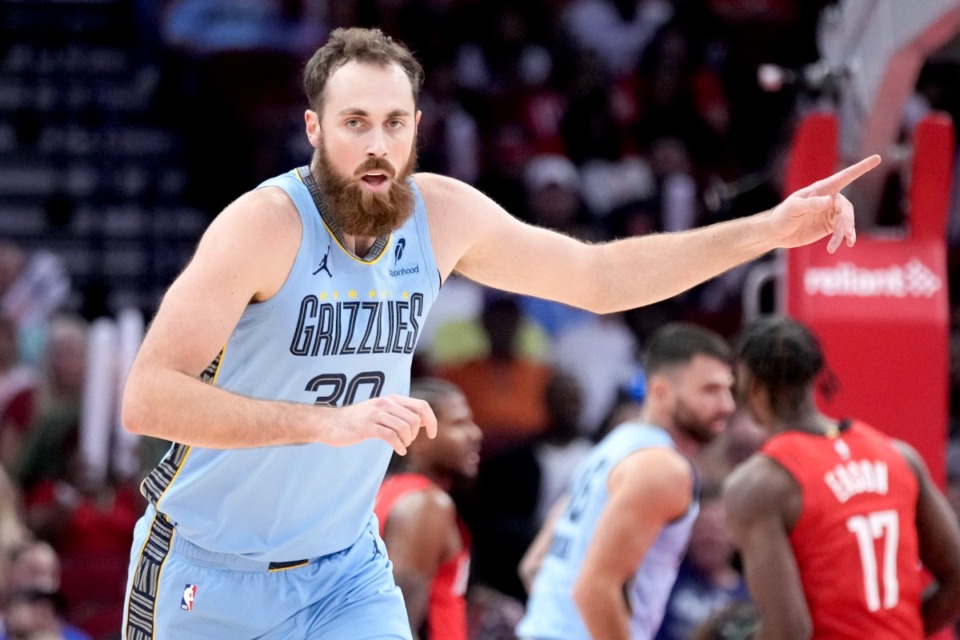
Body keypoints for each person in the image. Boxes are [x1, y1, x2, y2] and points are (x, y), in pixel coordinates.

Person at [118, 26, 879, 639]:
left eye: (393, 123)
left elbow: (600, 277)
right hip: (207, 570)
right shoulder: (264, 226)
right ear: (315, 129)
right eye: (355, 124)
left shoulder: (441, 214)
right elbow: (148, 399)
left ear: (417, 128)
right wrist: (327, 424)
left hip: (343, 572)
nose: (376, 145)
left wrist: (769, 231)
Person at [723, 316, 960, 639]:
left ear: (750, 386)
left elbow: (789, 632)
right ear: (815, 376)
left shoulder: (761, 483)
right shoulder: (899, 457)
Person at [516, 322, 736, 639]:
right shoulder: (662, 467)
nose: (727, 405)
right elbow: (595, 588)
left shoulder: (611, 446)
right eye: (710, 390)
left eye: (728, 389)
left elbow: (534, 565)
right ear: (660, 391)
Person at [373, 378, 482, 640]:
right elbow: (400, 622)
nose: (475, 433)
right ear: (417, 436)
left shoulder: (392, 490)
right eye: (459, 423)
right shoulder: (426, 504)